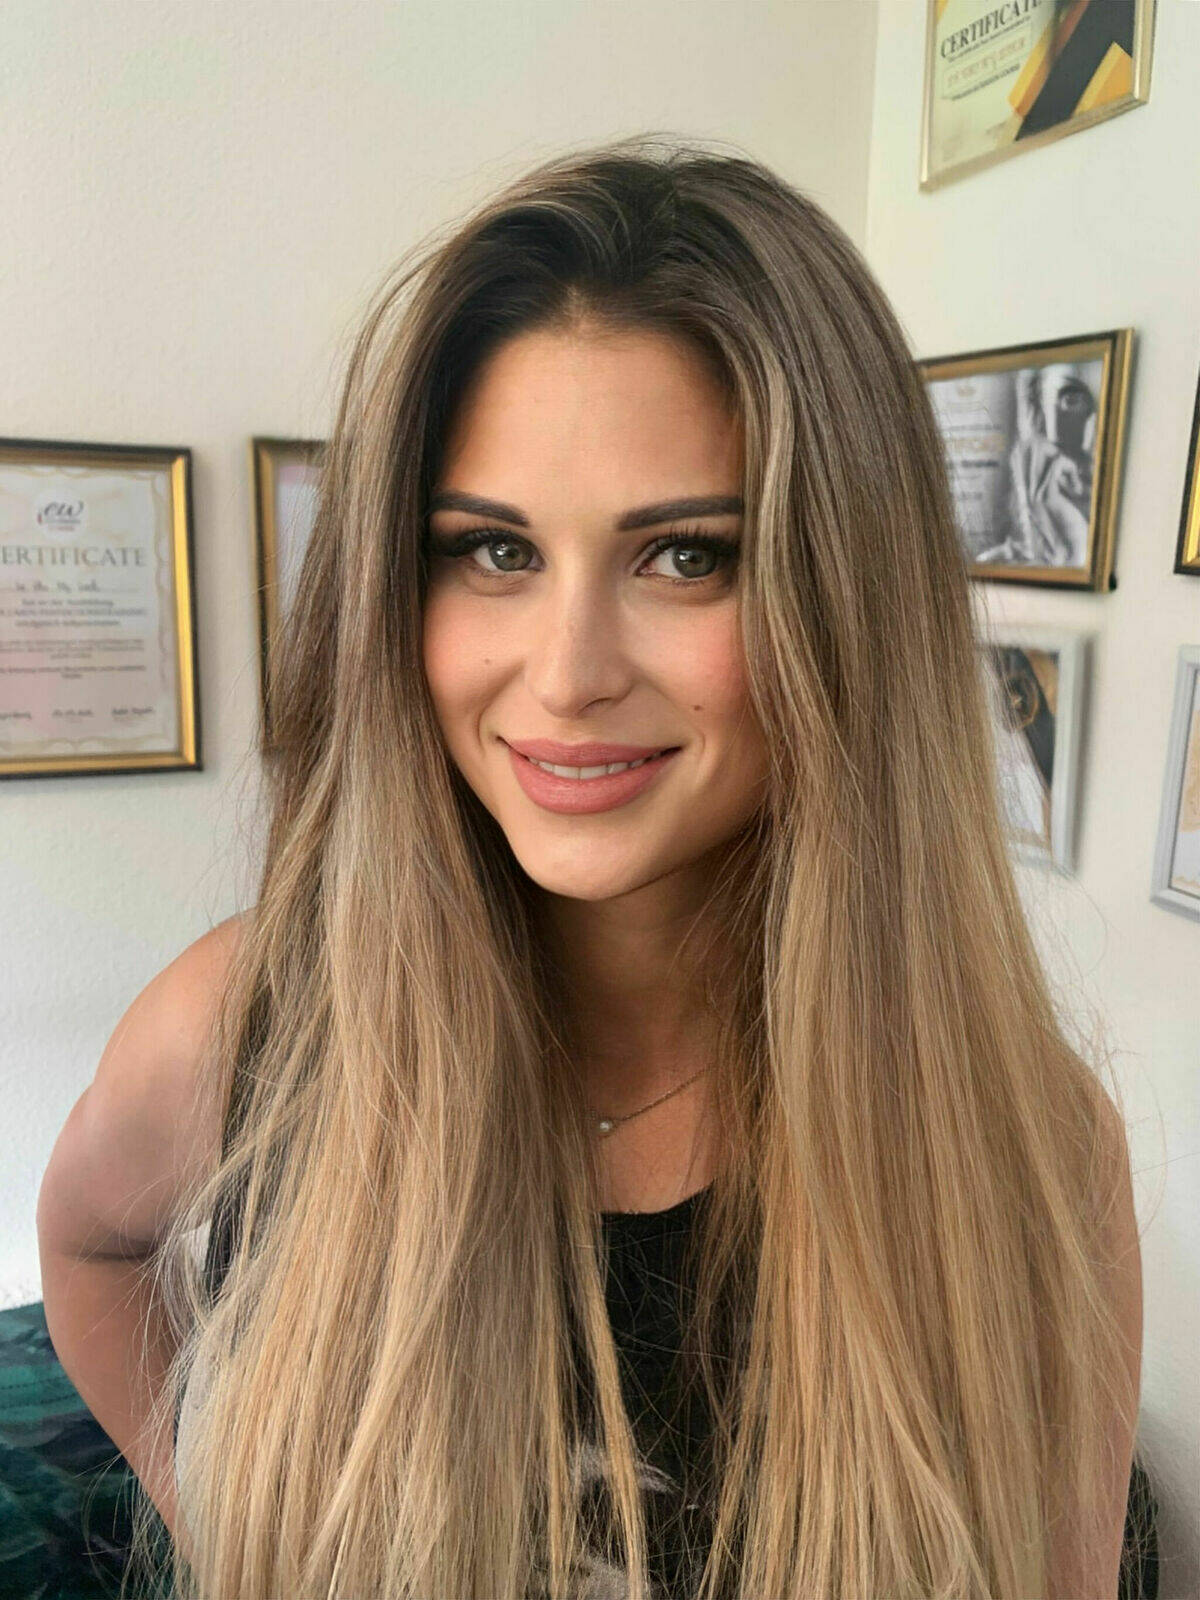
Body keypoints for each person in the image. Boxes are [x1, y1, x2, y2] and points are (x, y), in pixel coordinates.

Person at [36, 136, 1143, 1600]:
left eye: (685, 556)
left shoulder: (1020, 1145)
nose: (565, 677)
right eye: (493, 552)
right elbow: (92, 1248)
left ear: (847, 599)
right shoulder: (249, 1023)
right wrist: (229, 1532)